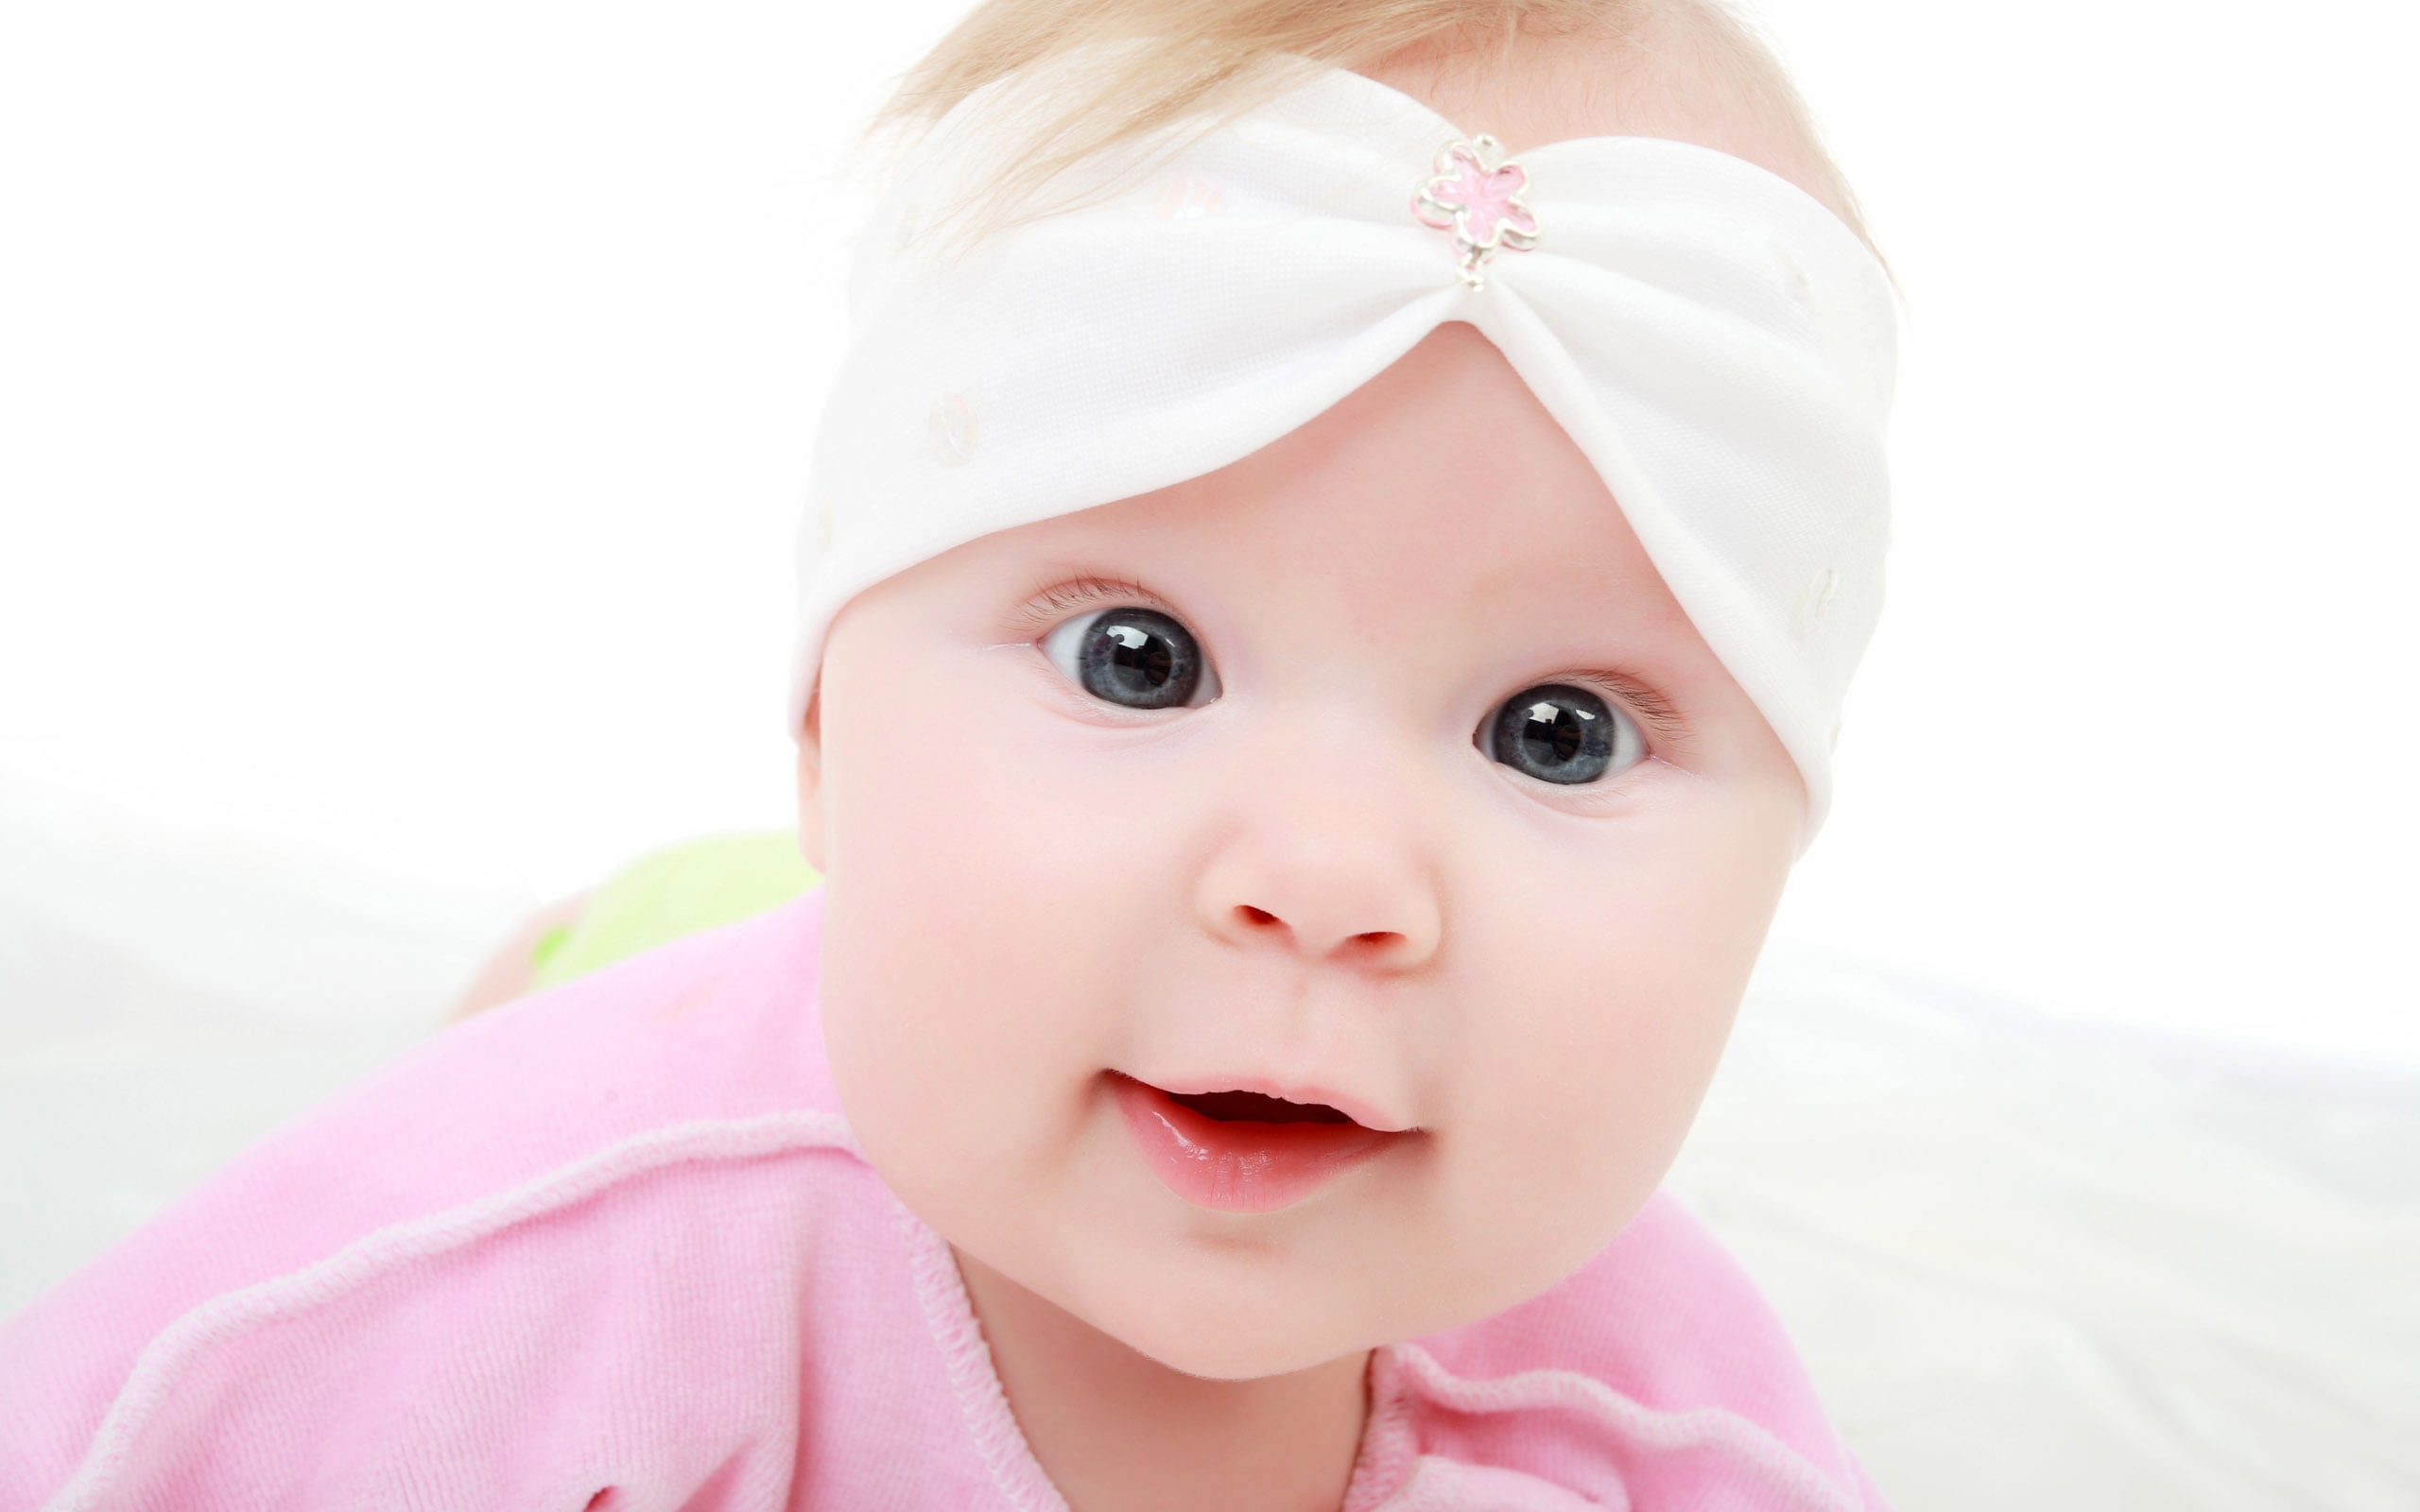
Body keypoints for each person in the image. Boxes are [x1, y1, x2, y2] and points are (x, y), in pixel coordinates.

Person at [0, 1, 1901, 1506]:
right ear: (828, 725)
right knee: (572, 998)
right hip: (671, 1024)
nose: (1324, 876)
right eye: (1137, 659)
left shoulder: (1672, 1429)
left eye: (1550, 735)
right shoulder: (476, 1293)